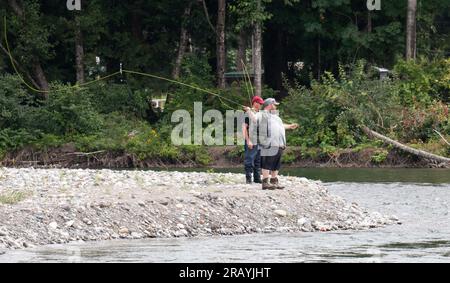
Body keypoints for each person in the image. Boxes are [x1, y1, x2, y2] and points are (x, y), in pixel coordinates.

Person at [244, 98, 298, 190]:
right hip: (269, 144)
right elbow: (254, 119)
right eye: (274, 104)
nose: (276, 106)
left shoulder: (276, 117)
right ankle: (265, 183)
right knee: (267, 163)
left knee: (276, 164)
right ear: (269, 105)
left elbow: (280, 126)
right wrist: (249, 111)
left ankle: (274, 182)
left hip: (279, 144)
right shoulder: (261, 114)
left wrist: (290, 126)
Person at [243, 96, 265, 184]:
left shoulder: (260, 113)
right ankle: (248, 178)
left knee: (258, 160)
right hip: (251, 140)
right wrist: (248, 140)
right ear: (255, 103)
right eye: (259, 103)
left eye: (261, 104)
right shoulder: (247, 114)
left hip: (259, 141)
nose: (261, 105)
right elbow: (244, 128)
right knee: (249, 159)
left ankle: (257, 178)